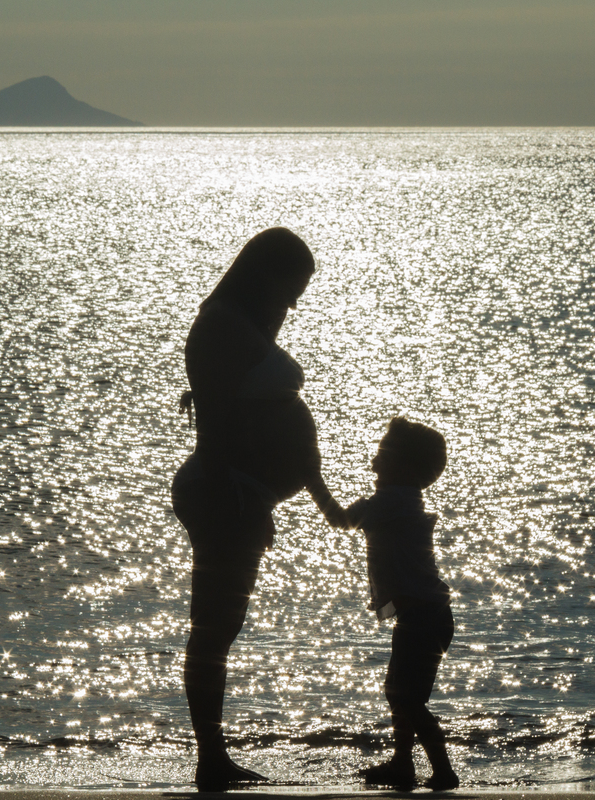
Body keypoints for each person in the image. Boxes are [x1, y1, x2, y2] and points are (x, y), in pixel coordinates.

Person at [172, 227, 342, 791]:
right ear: (261, 274)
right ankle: (210, 759)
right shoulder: (218, 327)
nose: (294, 303)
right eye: (291, 287)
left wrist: (324, 503)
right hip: (226, 494)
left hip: (245, 493)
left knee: (223, 626)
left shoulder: (241, 324)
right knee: (214, 628)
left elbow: (277, 424)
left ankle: (213, 756)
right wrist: (238, 500)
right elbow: (218, 425)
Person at [334, 417, 459, 790]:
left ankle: (443, 770)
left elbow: (340, 519)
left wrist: (312, 479)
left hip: (422, 616)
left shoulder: (389, 501)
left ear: (403, 467)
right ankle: (403, 764)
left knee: (404, 696)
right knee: (402, 694)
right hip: (424, 615)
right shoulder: (399, 499)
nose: (373, 465)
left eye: (381, 458)